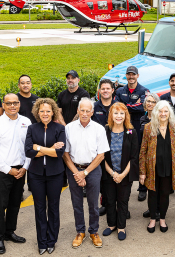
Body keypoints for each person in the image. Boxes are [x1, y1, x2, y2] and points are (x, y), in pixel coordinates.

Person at [0, 94, 31, 254]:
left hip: (21, 170)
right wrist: (8, 169)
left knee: (15, 203)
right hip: (2, 171)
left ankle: (9, 231)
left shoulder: (27, 122)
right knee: (0, 205)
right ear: (3, 105)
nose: (12, 106)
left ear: (19, 104)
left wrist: (25, 167)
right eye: (9, 103)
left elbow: (29, 147)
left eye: (15, 103)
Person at [63, 98, 109, 249]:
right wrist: (77, 173)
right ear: (77, 111)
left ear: (92, 112)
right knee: (77, 204)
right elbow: (65, 154)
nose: (84, 113)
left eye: (87, 110)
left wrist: (85, 173)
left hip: (93, 169)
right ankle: (80, 231)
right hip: (74, 169)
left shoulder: (99, 129)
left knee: (93, 204)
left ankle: (94, 231)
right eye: (81, 110)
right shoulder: (68, 128)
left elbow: (101, 155)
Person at [25, 98, 66, 255]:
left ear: (53, 112)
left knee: (54, 208)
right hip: (36, 175)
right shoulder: (32, 128)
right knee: (40, 208)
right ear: (37, 112)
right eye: (42, 110)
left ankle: (51, 240)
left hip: (55, 174)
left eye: (48, 111)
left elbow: (59, 153)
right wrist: (50, 149)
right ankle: (41, 241)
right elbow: (29, 152)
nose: (45, 113)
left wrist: (39, 148)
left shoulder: (60, 129)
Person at [139, 101, 175, 233]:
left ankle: (162, 219)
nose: (163, 114)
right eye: (160, 111)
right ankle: (153, 219)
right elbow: (143, 151)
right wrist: (142, 172)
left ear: (170, 113)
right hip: (152, 168)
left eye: (166, 111)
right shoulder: (148, 127)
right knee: (152, 193)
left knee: (164, 194)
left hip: (169, 168)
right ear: (156, 112)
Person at [101, 103, 138, 241]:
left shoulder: (131, 132)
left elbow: (134, 157)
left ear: (126, 115)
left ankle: (121, 227)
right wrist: (113, 174)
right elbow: (101, 156)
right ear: (111, 115)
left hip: (125, 175)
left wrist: (122, 175)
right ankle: (111, 225)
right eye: (116, 113)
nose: (119, 116)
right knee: (110, 200)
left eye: (122, 113)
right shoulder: (105, 131)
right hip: (108, 173)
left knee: (123, 201)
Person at [114, 66, 149, 201]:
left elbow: (142, 107)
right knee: (125, 155)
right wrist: (133, 105)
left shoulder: (144, 90)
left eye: (133, 74)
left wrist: (125, 106)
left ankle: (142, 188)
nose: (131, 77)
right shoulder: (120, 90)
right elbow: (117, 107)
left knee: (140, 156)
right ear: (126, 76)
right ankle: (123, 182)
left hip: (138, 128)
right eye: (129, 74)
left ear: (137, 76)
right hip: (123, 128)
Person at [91, 79, 116, 216]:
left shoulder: (118, 107)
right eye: (103, 88)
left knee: (117, 177)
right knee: (103, 179)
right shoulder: (94, 107)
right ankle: (106, 204)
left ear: (113, 90)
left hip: (116, 148)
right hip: (99, 150)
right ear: (99, 91)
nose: (105, 91)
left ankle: (120, 205)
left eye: (108, 88)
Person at [139, 93, 160, 216]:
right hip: (145, 155)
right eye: (148, 101)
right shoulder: (143, 118)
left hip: (157, 156)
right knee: (149, 184)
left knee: (157, 184)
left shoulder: (160, 118)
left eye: (153, 102)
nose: (150, 104)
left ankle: (158, 210)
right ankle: (152, 208)